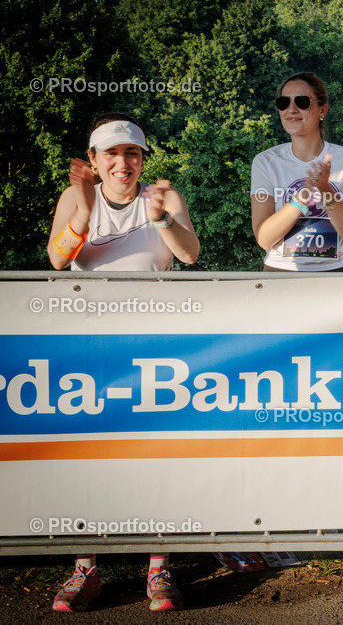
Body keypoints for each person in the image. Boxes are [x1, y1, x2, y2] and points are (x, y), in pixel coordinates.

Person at [46, 112, 200, 611]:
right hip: (88, 348)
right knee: (84, 456)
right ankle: (85, 569)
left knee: (158, 456)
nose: (122, 162)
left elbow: (191, 254)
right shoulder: (76, 197)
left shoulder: (164, 197)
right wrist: (84, 213)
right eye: (111, 153)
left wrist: (160, 219)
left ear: (141, 158)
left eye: (131, 152)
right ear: (93, 159)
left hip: (157, 344)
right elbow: (56, 257)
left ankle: (159, 569)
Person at [251, 72, 343, 272]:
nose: (291, 109)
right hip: (280, 274)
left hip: (338, 273)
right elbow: (264, 239)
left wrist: (325, 191)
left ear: (322, 110)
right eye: (283, 102)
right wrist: (303, 196)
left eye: (302, 102)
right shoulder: (264, 162)